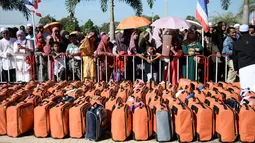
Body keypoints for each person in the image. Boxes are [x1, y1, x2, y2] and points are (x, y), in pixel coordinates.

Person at [233, 24, 255, 92]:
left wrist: (236, 68)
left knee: (245, 86)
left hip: (243, 66)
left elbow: (235, 57)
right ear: (248, 30)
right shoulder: (254, 39)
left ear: (239, 31)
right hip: (253, 64)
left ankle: (246, 101)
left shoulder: (236, 43)